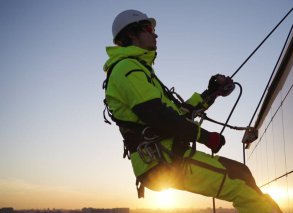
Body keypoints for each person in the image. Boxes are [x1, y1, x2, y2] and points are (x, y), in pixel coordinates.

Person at [102, 9, 282, 213]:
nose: (155, 34)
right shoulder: (127, 69)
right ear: (131, 34)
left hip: (167, 155)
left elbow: (177, 113)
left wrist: (211, 92)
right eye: (149, 28)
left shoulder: (138, 70)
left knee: (242, 173)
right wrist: (206, 137)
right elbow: (160, 117)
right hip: (162, 159)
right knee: (239, 183)